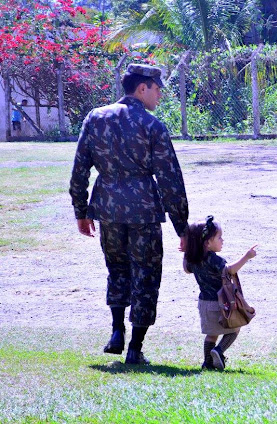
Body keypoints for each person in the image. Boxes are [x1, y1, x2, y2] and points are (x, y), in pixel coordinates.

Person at [69, 64, 189, 365]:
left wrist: (80, 211)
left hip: (107, 209)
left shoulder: (95, 118)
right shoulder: (152, 126)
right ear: (142, 88)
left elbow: (80, 168)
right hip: (144, 211)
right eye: (156, 87)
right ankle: (135, 347)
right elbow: (170, 180)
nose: (160, 93)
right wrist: (182, 227)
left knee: (118, 269)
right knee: (146, 276)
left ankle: (116, 331)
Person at [183, 215, 257, 370]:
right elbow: (229, 270)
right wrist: (247, 257)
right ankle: (219, 350)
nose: (222, 240)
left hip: (204, 303)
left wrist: (186, 252)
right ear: (208, 243)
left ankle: (207, 363)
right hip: (220, 303)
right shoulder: (213, 259)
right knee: (234, 329)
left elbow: (186, 269)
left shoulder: (193, 259)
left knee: (211, 334)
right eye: (219, 237)